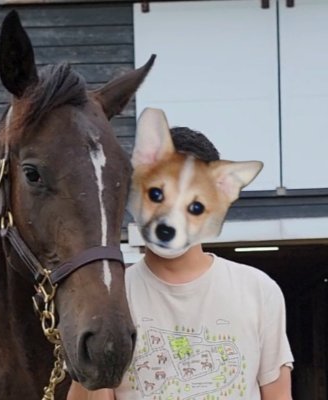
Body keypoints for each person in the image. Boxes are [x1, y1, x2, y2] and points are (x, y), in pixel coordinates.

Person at [67, 117, 293, 400]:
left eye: (194, 205)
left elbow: (279, 395)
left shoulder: (258, 290)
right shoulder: (109, 294)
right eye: (157, 193)